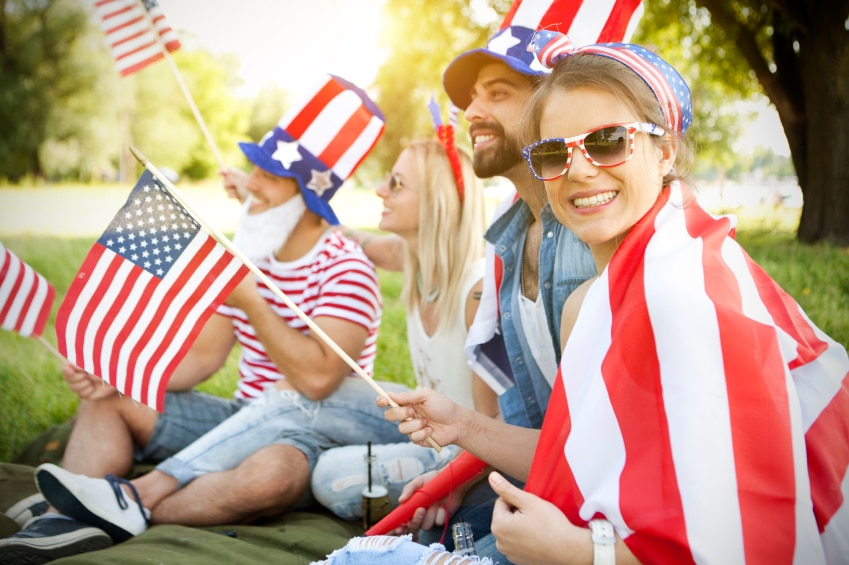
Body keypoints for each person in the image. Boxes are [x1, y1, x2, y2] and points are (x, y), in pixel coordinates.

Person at [312, 32, 849, 565]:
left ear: (666, 150)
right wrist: (461, 425)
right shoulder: (600, 295)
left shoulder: (686, 295)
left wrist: (578, 552)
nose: (581, 170)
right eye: (553, 152)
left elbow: (761, 546)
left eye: (609, 141)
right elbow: (581, 458)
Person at [0, 74, 411, 564]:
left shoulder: (345, 266)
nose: (250, 184)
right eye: (254, 168)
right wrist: (118, 374)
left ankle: (100, 513)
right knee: (111, 399)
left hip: (307, 432)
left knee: (273, 476)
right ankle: (72, 516)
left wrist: (254, 304)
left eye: (268, 177)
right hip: (238, 414)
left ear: (306, 196)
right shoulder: (252, 252)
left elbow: (318, 381)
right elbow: (201, 359)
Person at [311, 134, 499, 521]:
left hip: (461, 451)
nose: (381, 191)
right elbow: (362, 240)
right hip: (425, 423)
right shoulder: (413, 260)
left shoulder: (476, 291)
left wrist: (450, 482)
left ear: (436, 202)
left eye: (396, 183)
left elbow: (495, 426)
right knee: (307, 396)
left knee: (332, 473)